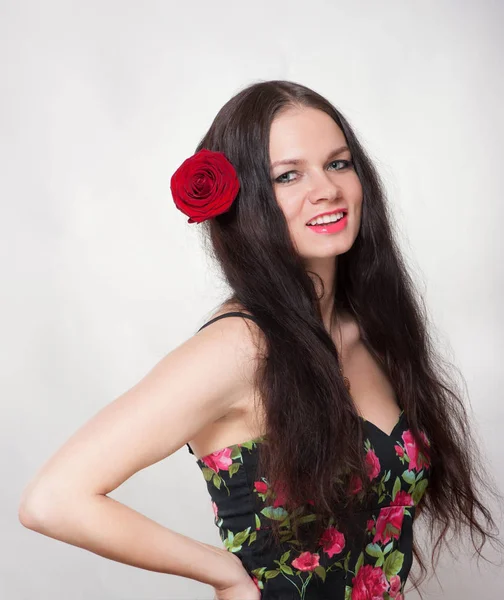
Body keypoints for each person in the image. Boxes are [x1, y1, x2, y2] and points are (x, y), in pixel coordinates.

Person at [19, 80, 502, 600]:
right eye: (288, 175)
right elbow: (53, 499)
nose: (327, 189)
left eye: (338, 164)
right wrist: (222, 571)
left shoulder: (374, 331)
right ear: (245, 198)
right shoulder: (242, 348)